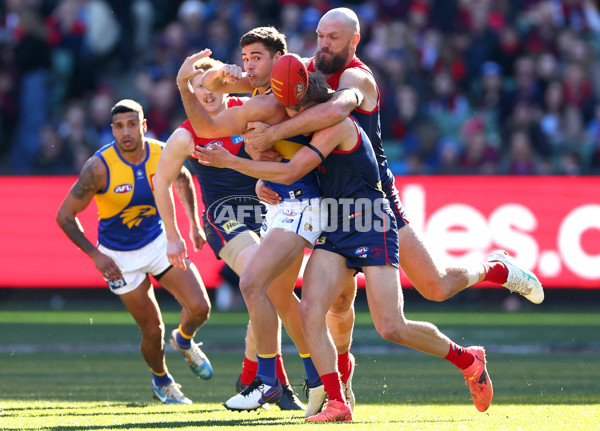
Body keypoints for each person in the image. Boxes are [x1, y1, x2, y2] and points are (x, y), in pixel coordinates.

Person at [240, 8, 544, 415]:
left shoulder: (356, 78)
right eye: (319, 35)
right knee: (333, 304)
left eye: (333, 37)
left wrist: (273, 136)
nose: (323, 44)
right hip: (331, 208)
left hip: (374, 203)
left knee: (433, 288)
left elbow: (333, 112)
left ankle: (495, 270)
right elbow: (275, 91)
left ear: (354, 41)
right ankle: (338, 390)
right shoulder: (308, 72)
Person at [195, 67, 493, 422]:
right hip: (335, 224)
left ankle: (467, 359)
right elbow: (287, 167)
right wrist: (260, 167)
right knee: (310, 309)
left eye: (291, 108)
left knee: (391, 326)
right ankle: (337, 401)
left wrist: (235, 161)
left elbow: (293, 170)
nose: (286, 115)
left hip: (370, 221)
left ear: (307, 103)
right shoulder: (305, 125)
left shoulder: (334, 125)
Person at [178, 43, 331, 414]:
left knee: (254, 283)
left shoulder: (265, 104)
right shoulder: (263, 96)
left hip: (294, 204)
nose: (247, 65)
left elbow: (208, 125)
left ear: (280, 61)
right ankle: (316, 380)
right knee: (279, 295)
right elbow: (171, 177)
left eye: (255, 58)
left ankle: (268, 379)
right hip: (273, 204)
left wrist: (184, 84)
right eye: (244, 57)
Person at [153, 54, 304, 411]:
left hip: (270, 214)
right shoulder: (186, 134)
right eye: (197, 86)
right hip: (225, 219)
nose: (206, 92)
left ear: (225, 81)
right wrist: (175, 234)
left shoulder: (252, 109)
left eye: (212, 83)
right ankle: (276, 383)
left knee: (271, 293)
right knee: (262, 283)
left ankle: (252, 375)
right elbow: (162, 182)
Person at [56, 99, 212, 405]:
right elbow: (64, 216)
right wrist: (95, 255)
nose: (126, 131)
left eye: (132, 124)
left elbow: (182, 180)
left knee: (200, 308)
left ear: (143, 125)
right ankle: (162, 381)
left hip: (157, 242)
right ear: (112, 130)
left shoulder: (161, 152)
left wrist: (193, 224)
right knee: (153, 331)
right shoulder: (98, 168)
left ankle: (184, 340)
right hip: (119, 257)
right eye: (119, 126)